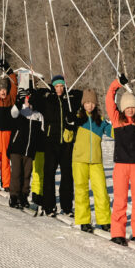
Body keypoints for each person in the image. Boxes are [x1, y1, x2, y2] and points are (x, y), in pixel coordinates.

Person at [106, 75, 135, 246]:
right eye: (127, 107)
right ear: (122, 108)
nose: (130, 109)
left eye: (133, 106)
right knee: (120, 200)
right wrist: (117, 83)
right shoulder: (117, 120)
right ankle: (117, 232)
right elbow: (109, 97)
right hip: (121, 166)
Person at [68, 88, 113, 233]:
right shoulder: (77, 118)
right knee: (81, 190)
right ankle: (84, 220)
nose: (90, 106)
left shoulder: (99, 120)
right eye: (87, 102)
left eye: (92, 103)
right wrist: (69, 125)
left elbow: (113, 132)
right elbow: (67, 138)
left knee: (101, 191)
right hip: (79, 159)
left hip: (96, 161)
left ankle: (105, 220)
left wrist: (123, 126)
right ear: (83, 103)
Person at [38, 75, 77, 217]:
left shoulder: (69, 100)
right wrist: (45, 90)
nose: (59, 89)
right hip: (50, 141)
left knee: (67, 175)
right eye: (56, 87)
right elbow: (35, 99)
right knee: (49, 174)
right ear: (53, 87)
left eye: (61, 86)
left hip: (66, 143)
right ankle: (49, 206)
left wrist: (70, 95)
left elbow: (80, 96)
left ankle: (67, 207)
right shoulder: (48, 99)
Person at [8, 90, 45, 209]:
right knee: (16, 173)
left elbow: (42, 132)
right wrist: (18, 102)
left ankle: (23, 196)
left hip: (30, 150)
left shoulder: (38, 115)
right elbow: (13, 114)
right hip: (17, 148)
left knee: (27, 174)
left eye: (31, 99)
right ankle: (14, 196)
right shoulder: (21, 112)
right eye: (27, 98)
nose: (29, 101)